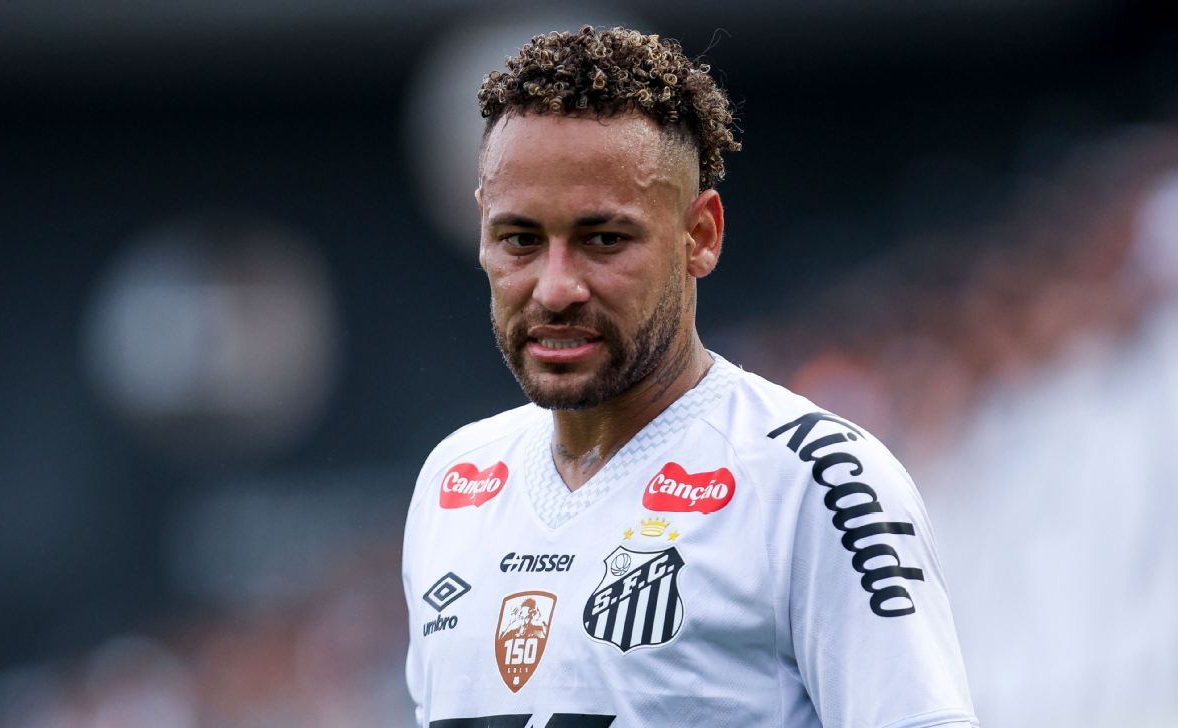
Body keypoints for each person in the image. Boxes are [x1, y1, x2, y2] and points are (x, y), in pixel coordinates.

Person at [402, 25, 978, 727]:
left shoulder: (816, 484)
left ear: (700, 235)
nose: (555, 288)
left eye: (603, 239)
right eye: (520, 239)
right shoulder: (453, 481)